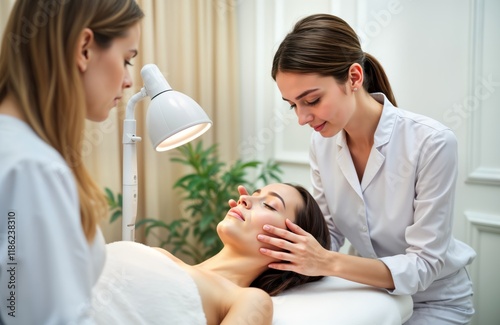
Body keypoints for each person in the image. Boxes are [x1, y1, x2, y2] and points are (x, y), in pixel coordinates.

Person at [236, 13, 476, 324]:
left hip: (435, 302)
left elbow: (424, 266)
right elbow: (328, 232)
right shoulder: (322, 143)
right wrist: (261, 226)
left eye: (312, 100)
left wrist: (326, 261)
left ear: (353, 77)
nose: (302, 118)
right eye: (293, 104)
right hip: (368, 293)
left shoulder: (431, 142)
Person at [0, 0, 143, 323]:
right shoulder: (33, 169)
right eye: (126, 59)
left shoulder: (19, 153)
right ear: (84, 49)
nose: (128, 81)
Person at [94, 183, 330, 325]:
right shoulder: (162, 256)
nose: (244, 198)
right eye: (253, 194)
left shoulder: (248, 299)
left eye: (269, 205)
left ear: (291, 247)